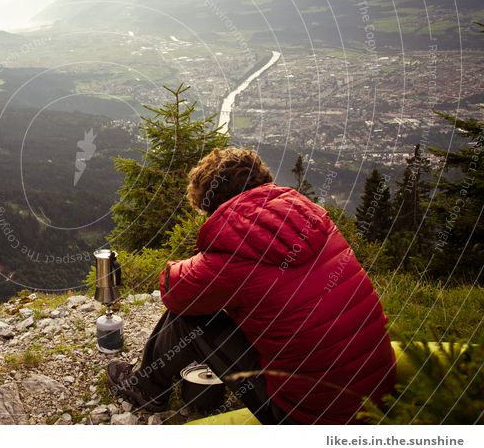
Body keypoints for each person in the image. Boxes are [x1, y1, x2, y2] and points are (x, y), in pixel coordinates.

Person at [107, 147, 396, 424]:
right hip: (381, 394)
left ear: (211, 206)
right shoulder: (316, 220)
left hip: (311, 419)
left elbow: (175, 292)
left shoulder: (234, 254)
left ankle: (146, 388)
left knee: (187, 317)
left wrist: (204, 258)